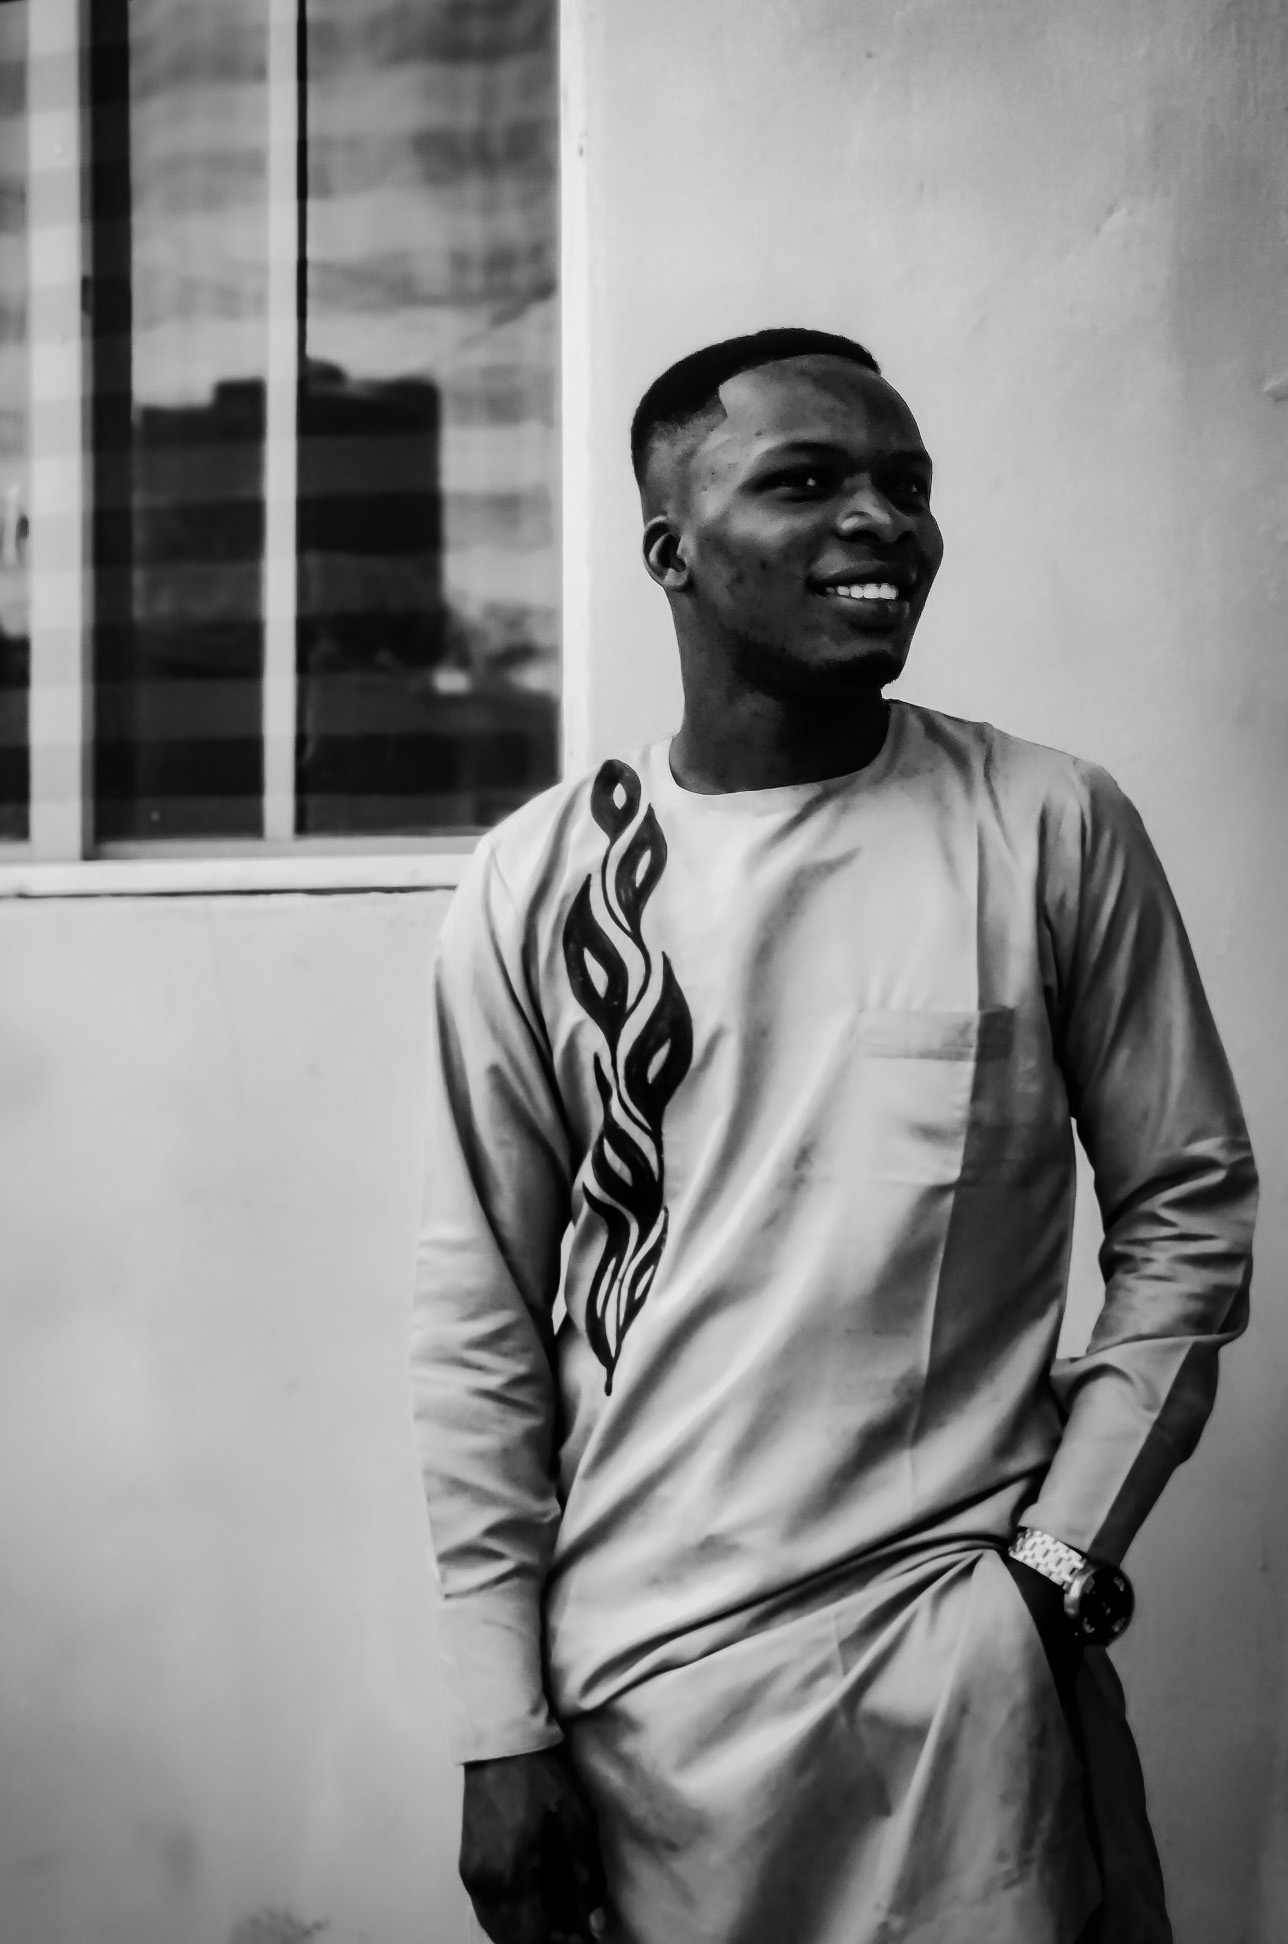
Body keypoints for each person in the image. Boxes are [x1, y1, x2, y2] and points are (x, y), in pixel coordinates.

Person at [409, 328, 1257, 1944]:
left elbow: (1190, 1210)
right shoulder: (542, 879)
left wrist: (1057, 1565)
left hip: (963, 1682)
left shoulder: (1047, 823)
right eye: (806, 481)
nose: (882, 520)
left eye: (906, 485)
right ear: (672, 550)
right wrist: (495, 1721)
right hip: (640, 1699)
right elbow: (479, 1323)